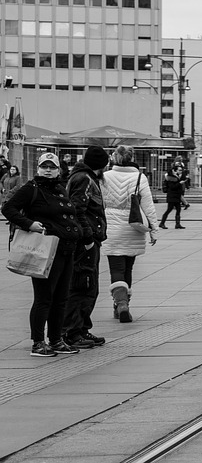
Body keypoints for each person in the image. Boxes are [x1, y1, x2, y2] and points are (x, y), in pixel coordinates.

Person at [1, 152, 84, 357]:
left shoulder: (59, 188)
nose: (48, 170)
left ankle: (56, 340)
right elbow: (8, 208)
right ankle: (38, 342)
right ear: (38, 168)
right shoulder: (31, 189)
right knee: (44, 298)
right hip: (45, 251)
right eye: (44, 166)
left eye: (52, 167)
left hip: (66, 250)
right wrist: (30, 224)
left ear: (58, 169)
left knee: (61, 298)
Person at [101, 144, 159, 323]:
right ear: (132, 157)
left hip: (110, 226)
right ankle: (124, 304)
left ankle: (120, 303)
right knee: (128, 268)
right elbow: (148, 205)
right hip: (133, 226)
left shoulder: (105, 177)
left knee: (116, 268)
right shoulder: (139, 177)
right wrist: (154, 230)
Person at [62, 145, 110, 350]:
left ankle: (81, 328)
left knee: (88, 285)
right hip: (85, 243)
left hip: (88, 241)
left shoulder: (85, 177)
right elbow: (77, 209)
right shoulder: (84, 179)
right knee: (83, 283)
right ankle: (72, 331)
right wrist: (88, 237)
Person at [159, 162, 188, 229]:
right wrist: (179, 183)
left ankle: (177, 224)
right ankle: (162, 223)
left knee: (178, 209)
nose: (181, 171)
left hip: (176, 196)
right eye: (179, 170)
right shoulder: (170, 177)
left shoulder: (177, 176)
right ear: (175, 171)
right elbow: (172, 187)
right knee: (169, 210)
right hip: (172, 196)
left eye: (181, 170)